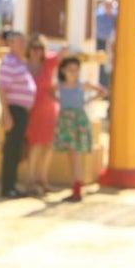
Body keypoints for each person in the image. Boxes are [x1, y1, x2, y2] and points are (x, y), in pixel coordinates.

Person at [54, 56, 107, 202]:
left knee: (75, 155)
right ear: (63, 70)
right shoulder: (60, 86)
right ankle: (76, 184)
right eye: (70, 70)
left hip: (77, 121)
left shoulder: (82, 85)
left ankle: (77, 186)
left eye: (76, 70)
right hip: (66, 120)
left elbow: (102, 91)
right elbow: (50, 93)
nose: (73, 73)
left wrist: (87, 101)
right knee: (72, 155)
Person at [0, 31, 37, 199]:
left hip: (21, 110)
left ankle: (12, 184)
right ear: (11, 44)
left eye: (23, 42)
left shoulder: (19, 62)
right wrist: (6, 114)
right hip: (14, 110)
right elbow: (2, 89)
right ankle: (8, 187)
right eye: (19, 42)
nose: (22, 45)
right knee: (11, 149)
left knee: (15, 148)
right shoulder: (9, 62)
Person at [24, 36, 60, 197]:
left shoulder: (48, 64)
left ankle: (42, 179)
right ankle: (31, 180)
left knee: (48, 145)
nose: (37, 51)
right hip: (32, 109)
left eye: (40, 48)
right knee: (33, 145)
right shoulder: (24, 66)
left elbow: (62, 53)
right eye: (34, 47)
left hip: (49, 109)